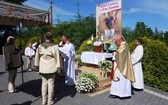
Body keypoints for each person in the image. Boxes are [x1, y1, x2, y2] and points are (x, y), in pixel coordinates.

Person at [34, 32, 61, 105]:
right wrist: (58, 67)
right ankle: (50, 101)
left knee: (44, 84)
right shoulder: (55, 46)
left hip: (43, 67)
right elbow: (57, 57)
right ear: (51, 38)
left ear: (44, 37)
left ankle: (43, 101)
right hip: (51, 67)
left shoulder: (40, 46)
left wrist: (36, 65)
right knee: (51, 84)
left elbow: (37, 56)